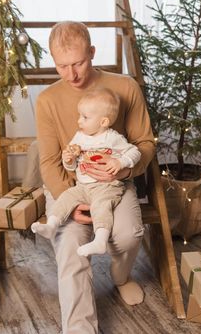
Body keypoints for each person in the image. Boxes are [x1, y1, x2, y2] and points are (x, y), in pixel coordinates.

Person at [35, 21, 155, 334]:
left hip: (114, 184)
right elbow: (48, 161)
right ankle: (78, 329)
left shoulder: (125, 87)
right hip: (70, 187)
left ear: (92, 52)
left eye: (78, 63)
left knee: (129, 235)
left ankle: (121, 276)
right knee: (71, 246)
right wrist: (68, 201)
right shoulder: (47, 100)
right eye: (61, 65)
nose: (71, 74)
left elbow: (144, 143)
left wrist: (126, 169)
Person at [31, 87, 141, 257]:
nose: (79, 121)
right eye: (79, 116)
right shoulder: (80, 137)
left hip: (107, 187)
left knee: (101, 206)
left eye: (85, 117)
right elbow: (73, 166)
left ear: (103, 122)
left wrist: (120, 162)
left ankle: (100, 241)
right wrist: (69, 160)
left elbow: (135, 152)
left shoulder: (112, 138)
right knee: (65, 197)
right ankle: (51, 226)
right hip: (83, 186)